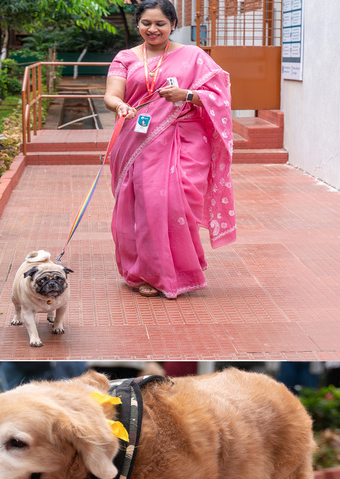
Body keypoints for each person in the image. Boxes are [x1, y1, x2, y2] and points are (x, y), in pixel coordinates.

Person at [103, 0, 235, 300]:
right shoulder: (126, 57)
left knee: (178, 202)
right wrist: (121, 105)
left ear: (173, 25)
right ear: (138, 24)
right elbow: (111, 94)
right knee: (148, 205)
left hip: (186, 140)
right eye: (146, 23)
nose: (153, 29)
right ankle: (150, 272)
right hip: (138, 139)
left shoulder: (194, 56)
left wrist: (186, 94)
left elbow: (220, 95)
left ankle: (179, 270)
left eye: (160, 23)